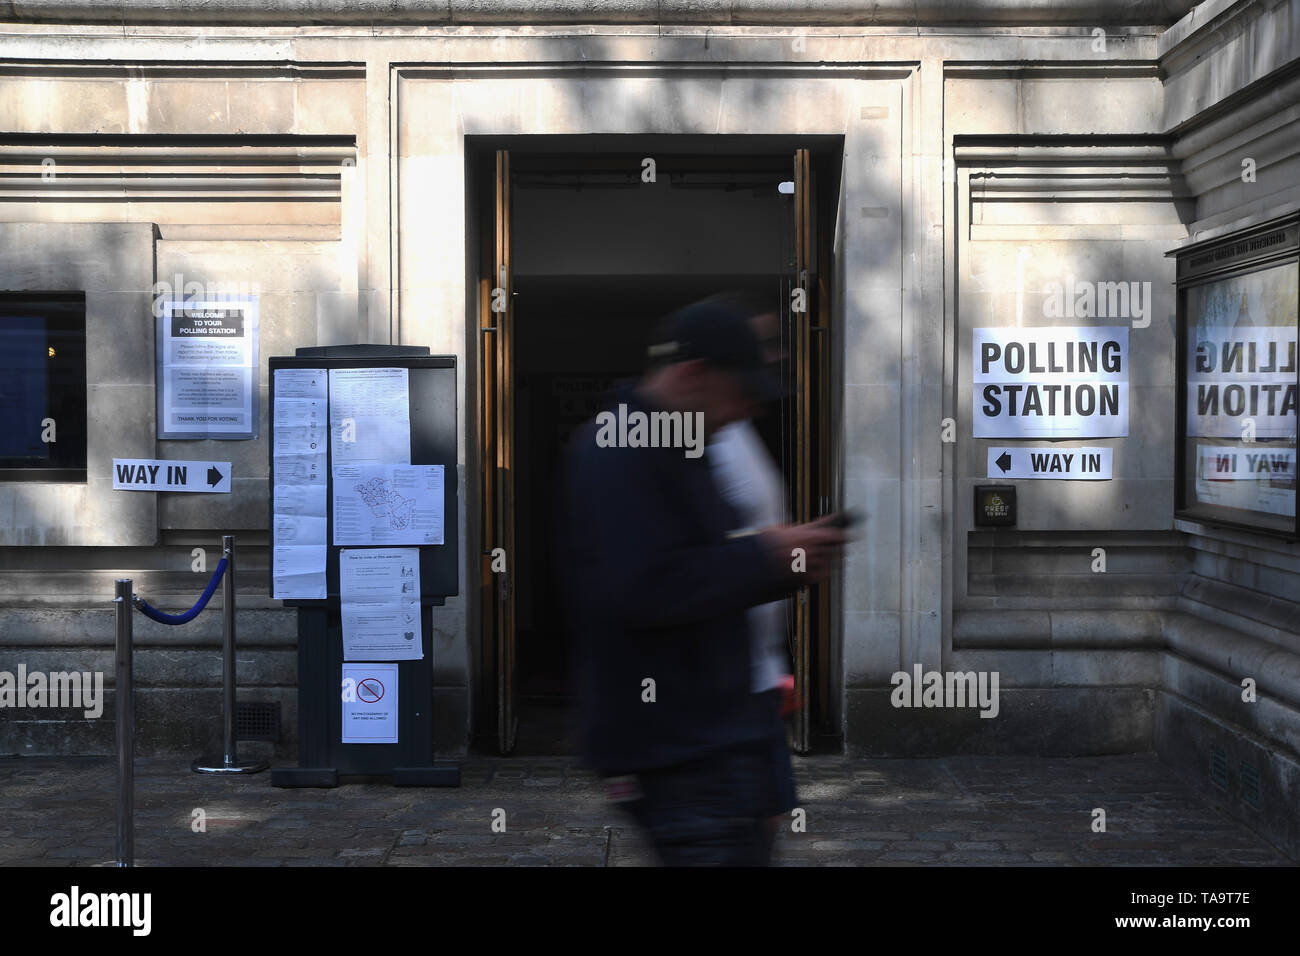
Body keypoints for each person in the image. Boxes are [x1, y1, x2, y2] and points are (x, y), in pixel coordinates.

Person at [557, 295, 845, 866]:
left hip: (717, 729)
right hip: (674, 747)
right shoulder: (617, 451)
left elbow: (700, 567)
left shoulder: (681, 445)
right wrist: (768, 557)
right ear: (693, 376)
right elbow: (643, 586)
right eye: (739, 394)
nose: (745, 413)